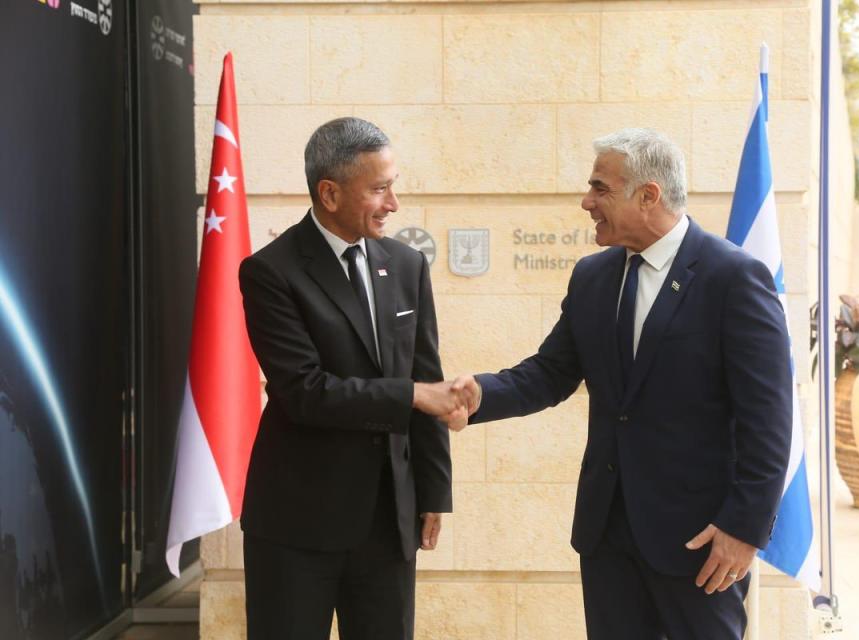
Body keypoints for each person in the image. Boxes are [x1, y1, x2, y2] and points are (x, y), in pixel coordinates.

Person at [448, 128, 793, 640]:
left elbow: (769, 417)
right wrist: (479, 394)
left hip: (702, 542)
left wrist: (744, 530)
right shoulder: (593, 277)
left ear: (648, 195)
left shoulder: (733, 277)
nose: (587, 202)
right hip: (607, 533)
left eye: (600, 188)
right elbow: (550, 372)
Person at [238, 117, 464, 640]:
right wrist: (412, 395)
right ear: (330, 192)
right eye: (380, 189)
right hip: (296, 527)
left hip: (388, 523)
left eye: (394, 186)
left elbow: (425, 374)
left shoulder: (408, 265)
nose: (393, 204)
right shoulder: (271, 272)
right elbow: (303, 392)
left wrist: (433, 492)